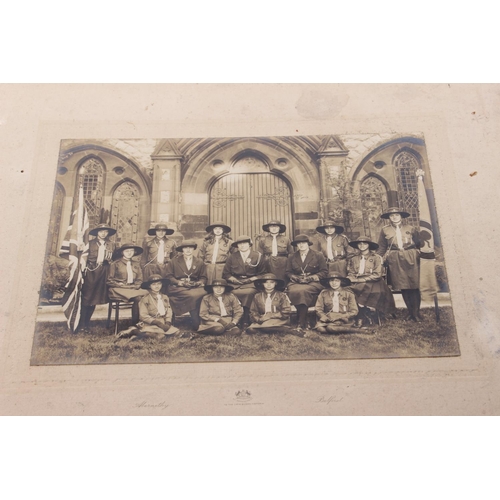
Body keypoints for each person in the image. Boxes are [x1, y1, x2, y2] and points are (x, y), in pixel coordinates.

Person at [377, 207, 422, 321]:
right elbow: (382, 247)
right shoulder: (385, 230)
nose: (394, 217)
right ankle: (410, 311)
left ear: (401, 216)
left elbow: (419, 243)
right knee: (403, 286)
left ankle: (416, 313)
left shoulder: (411, 228)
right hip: (395, 258)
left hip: (411, 256)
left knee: (414, 285)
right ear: (389, 218)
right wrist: (378, 259)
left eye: (397, 215)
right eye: (392, 215)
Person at [347, 236, 396, 327]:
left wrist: (361, 279)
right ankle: (360, 315)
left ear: (369, 245)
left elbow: (377, 274)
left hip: (374, 282)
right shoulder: (354, 259)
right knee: (348, 290)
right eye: (360, 244)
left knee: (368, 292)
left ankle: (363, 316)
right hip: (357, 282)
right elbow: (351, 272)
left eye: (365, 243)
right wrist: (350, 278)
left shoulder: (376, 258)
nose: (362, 245)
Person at [222, 235, 269, 326]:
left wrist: (250, 279)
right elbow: (226, 274)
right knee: (230, 293)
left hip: (251, 284)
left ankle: (246, 318)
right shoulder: (232, 257)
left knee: (249, 293)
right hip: (235, 283)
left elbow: (263, 273)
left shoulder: (258, 256)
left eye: (244, 243)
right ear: (237, 246)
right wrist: (234, 280)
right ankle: (235, 318)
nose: (242, 246)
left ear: (249, 244)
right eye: (240, 244)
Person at [285, 234, 328, 333]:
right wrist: (295, 277)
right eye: (298, 243)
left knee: (303, 291)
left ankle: (301, 321)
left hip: (313, 282)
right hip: (297, 282)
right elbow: (288, 272)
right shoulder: (292, 256)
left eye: (303, 243)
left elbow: (324, 272)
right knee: (293, 291)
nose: (301, 245)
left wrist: (311, 278)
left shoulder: (318, 255)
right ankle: (305, 320)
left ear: (308, 244)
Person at [116, 274, 179, 340]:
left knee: (176, 332)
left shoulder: (165, 297)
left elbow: (169, 311)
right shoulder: (145, 299)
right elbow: (143, 316)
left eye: (159, 284)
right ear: (149, 286)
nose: (157, 286)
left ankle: (139, 335)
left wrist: (168, 323)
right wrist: (157, 323)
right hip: (150, 324)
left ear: (162, 284)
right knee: (160, 336)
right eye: (154, 284)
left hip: (162, 323)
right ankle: (135, 332)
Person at [78, 223, 116, 331]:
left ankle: (86, 324)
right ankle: (81, 324)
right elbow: (83, 258)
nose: (103, 234)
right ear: (97, 232)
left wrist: (109, 263)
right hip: (91, 271)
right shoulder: (90, 244)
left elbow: (114, 259)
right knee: (87, 297)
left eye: (106, 232)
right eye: (101, 231)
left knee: (95, 298)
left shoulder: (111, 244)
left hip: (104, 272)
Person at [165, 240, 207, 331]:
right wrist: (179, 282)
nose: (188, 250)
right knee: (192, 296)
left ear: (193, 249)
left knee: (204, 293)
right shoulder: (174, 261)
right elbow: (168, 276)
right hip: (177, 287)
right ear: (182, 250)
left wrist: (198, 283)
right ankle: (196, 322)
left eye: (190, 248)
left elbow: (203, 277)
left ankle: (201, 321)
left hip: (193, 286)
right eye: (185, 248)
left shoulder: (199, 262)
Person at [107, 242, 148, 324]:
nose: (129, 253)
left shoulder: (136, 264)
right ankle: (135, 324)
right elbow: (109, 280)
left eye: (131, 251)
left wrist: (136, 286)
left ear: (134, 252)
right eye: (127, 251)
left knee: (147, 295)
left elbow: (139, 280)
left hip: (132, 288)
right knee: (138, 298)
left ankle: (144, 322)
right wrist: (119, 285)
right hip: (118, 289)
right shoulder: (115, 264)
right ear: (122, 252)